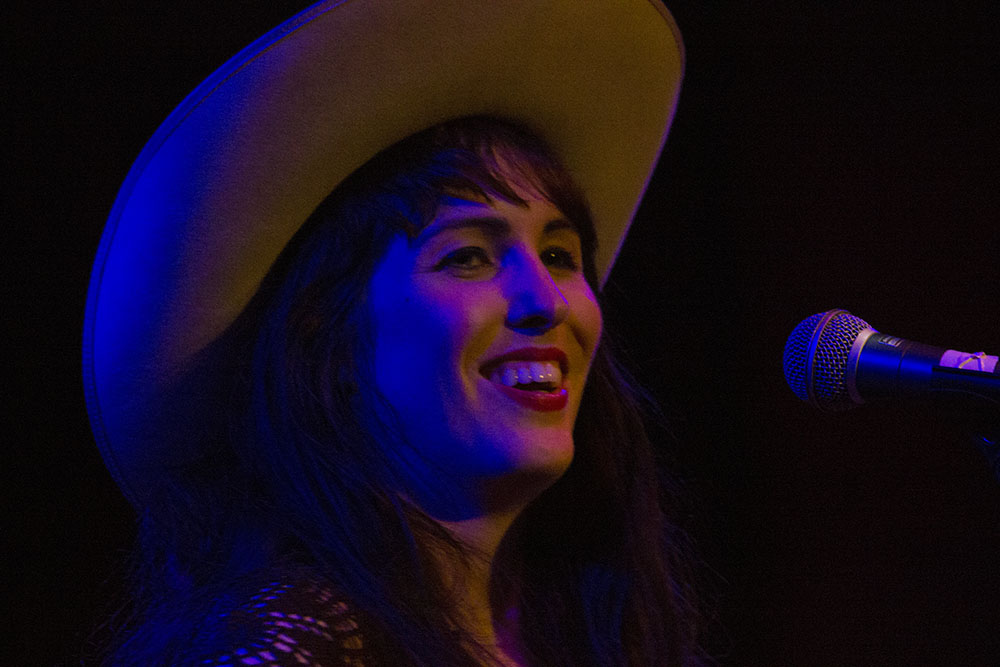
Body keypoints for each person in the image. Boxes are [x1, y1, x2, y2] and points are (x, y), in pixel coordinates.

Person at [83, 1, 699, 664]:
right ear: (333, 339)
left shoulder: (584, 636)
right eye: (468, 256)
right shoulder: (293, 647)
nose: (543, 300)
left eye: (559, 255)